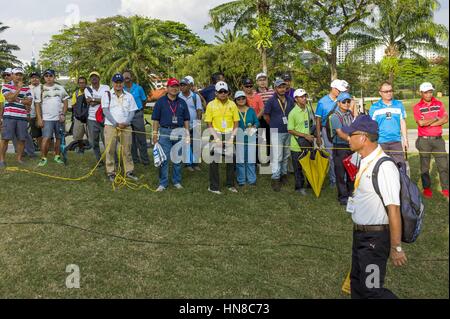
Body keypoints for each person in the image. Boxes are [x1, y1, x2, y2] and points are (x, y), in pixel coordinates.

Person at [342, 115, 407, 299]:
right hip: (361, 235)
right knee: (357, 282)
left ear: (363, 137)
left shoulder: (384, 167)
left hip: (375, 239)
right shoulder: (364, 159)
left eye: (351, 134)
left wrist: (396, 248)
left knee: (372, 289)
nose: (347, 138)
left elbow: (393, 210)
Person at [152, 78, 190, 191]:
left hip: (179, 132)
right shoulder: (160, 102)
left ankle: (176, 181)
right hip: (164, 132)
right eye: (172, 86)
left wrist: (187, 134)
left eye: (176, 86)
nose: (174, 88)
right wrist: (154, 133)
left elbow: (186, 120)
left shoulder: (182, 102)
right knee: (164, 159)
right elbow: (155, 119)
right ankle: (163, 183)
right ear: (167, 88)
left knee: (177, 158)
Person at [413, 82, 449, 199]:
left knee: (443, 165)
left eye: (430, 91)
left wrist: (429, 123)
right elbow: (421, 123)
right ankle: (427, 188)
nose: (429, 94)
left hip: (438, 140)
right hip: (424, 141)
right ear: (421, 93)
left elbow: (445, 119)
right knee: (425, 166)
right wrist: (435, 118)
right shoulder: (417, 107)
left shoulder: (439, 104)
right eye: (426, 92)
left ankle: (445, 188)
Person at [102, 73, 139, 182]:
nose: (118, 84)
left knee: (126, 149)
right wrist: (115, 123)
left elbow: (132, 111)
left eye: (120, 82)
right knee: (110, 150)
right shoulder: (107, 94)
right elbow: (105, 110)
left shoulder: (129, 96)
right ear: (113, 83)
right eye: (116, 82)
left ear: (123, 83)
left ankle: (129, 171)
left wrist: (126, 123)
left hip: (126, 127)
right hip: (110, 126)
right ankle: (111, 172)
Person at [204, 81, 239, 194]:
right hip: (216, 134)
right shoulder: (210, 105)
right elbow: (208, 123)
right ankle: (213, 187)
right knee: (214, 161)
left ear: (228, 92)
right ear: (216, 93)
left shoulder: (232, 104)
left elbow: (236, 122)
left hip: (229, 134)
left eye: (225, 91)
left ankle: (230, 184)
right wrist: (216, 138)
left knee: (231, 160)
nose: (223, 94)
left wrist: (232, 137)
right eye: (220, 92)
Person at [264, 78, 295, 192]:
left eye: (284, 87)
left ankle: (283, 175)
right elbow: (266, 116)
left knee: (286, 154)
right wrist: (273, 124)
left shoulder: (290, 100)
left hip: (288, 131)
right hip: (276, 131)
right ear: (275, 88)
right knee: (277, 156)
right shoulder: (271, 101)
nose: (282, 89)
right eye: (280, 87)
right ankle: (275, 178)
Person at [35, 69, 69, 166]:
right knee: (46, 138)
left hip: (59, 118)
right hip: (47, 119)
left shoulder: (60, 88)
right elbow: (37, 105)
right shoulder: (40, 89)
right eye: (46, 76)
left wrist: (63, 113)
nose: (48, 78)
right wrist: (39, 118)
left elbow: (65, 101)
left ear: (54, 77)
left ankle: (57, 157)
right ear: (44, 77)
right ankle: (43, 158)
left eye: (50, 76)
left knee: (58, 138)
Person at [0, 68, 33, 168]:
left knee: (22, 139)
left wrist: (17, 100)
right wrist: (18, 90)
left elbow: (29, 102)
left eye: (20, 75)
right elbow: (9, 99)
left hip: (22, 117)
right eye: (16, 74)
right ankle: (1, 160)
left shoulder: (26, 88)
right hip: (9, 116)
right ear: (12, 75)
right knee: (5, 139)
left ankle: (19, 159)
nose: (19, 76)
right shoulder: (5, 86)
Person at [369, 82, 408, 165]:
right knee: (382, 168)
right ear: (380, 93)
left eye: (390, 91)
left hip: (396, 141)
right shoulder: (374, 107)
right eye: (386, 91)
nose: (389, 93)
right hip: (381, 142)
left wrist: (405, 140)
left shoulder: (399, 104)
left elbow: (402, 123)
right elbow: (371, 127)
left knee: (400, 168)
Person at [288, 89, 315, 195]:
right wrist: (305, 136)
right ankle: (299, 187)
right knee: (298, 167)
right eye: (301, 97)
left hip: (308, 143)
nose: (304, 98)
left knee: (309, 165)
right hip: (296, 145)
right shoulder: (293, 113)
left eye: (305, 96)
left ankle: (310, 183)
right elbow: (290, 130)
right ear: (296, 99)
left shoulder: (308, 108)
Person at [330, 92, 355, 205]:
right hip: (340, 147)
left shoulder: (350, 113)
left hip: (351, 147)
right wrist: (352, 140)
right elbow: (340, 133)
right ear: (339, 103)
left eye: (348, 101)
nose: (346, 103)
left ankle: (351, 193)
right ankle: (343, 197)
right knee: (340, 173)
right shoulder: (335, 116)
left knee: (351, 172)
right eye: (344, 102)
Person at [123, 70, 150, 166]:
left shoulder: (138, 88)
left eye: (127, 77)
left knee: (141, 138)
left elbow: (144, 100)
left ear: (131, 78)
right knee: (131, 140)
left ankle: (145, 160)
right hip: (127, 116)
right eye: (124, 77)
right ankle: (135, 159)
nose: (126, 79)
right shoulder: (122, 89)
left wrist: (140, 109)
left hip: (138, 114)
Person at [234, 91, 259, 186]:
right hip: (239, 139)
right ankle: (241, 180)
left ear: (245, 99)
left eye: (243, 98)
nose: (241, 100)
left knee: (251, 160)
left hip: (251, 138)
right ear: (235, 100)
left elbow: (257, 122)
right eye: (238, 99)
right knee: (240, 160)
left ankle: (252, 180)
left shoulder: (251, 110)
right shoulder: (234, 110)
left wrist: (254, 127)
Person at [179, 77, 203, 172]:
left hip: (194, 124)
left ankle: (196, 163)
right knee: (186, 144)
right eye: (181, 85)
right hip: (183, 125)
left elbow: (199, 109)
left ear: (189, 86)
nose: (182, 87)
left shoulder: (195, 96)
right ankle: (188, 164)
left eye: (184, 85)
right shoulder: (178, 96)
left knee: (196, 144)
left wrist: (198, 122)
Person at [85, 71, 110, 165]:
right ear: (90, 79)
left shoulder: (106, 87)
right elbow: (89, 102)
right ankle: (99, 160)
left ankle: (110, 159)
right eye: (92, 77)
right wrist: (99, 100)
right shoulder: (87, 89)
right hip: (91, 119)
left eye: (95, 76)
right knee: (94, 142)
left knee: (106, 141)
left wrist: (93, 99)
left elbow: (107, 100)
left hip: (104, 117)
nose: (94, 78)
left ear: (99, 78)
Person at [71, 76, 89, 154]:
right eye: (80, 83)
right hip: (79, 118)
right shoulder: (76, 93)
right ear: (78, 84)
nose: (82, 84)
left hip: (88, 118)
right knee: (78, 136)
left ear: (86, 83)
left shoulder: (89, 91)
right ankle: (81, 148)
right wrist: (76, 115)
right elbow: (73, 105)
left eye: (83, 83)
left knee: (91, 136)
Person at [29, 72, 43, 151]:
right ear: (30, 79)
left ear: (40, 79)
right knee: (37, 135)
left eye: (36, 77)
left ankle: (50, 151)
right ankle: (42, 151)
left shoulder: (43, 87)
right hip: (32, 115)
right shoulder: (27, 88)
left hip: (44, 114)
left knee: (47, 135)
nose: (34, 79)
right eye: (32, 77)